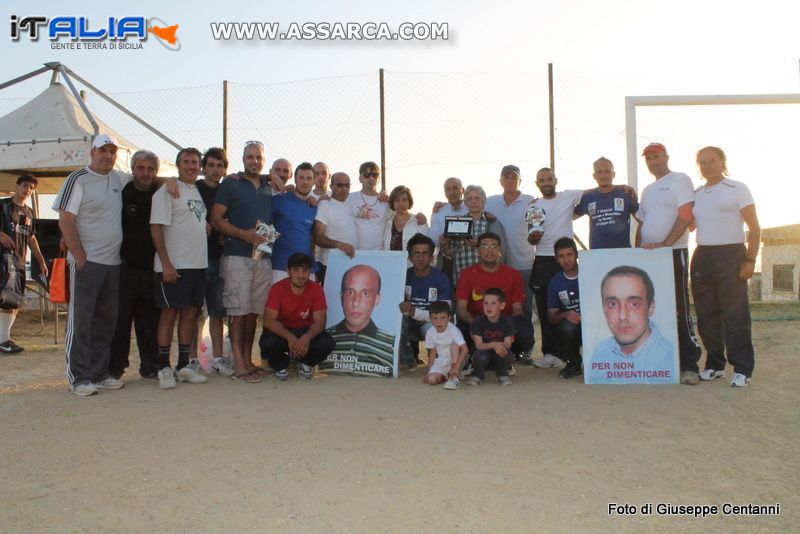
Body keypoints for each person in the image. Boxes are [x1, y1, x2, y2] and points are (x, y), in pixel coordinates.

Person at [54, 134, 130, 396]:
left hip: (113, 264)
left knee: (106, 321)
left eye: (112, 152)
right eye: (103, 151)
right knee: (81, 321)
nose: (107, 156)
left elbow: (149, 178)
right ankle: (79, 377)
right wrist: (79, 255)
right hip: (87, 263)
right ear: (92, 152)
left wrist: (173, 183)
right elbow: (65, 220)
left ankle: (98, 373)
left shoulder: (118, 178)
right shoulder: (78, 179)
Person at [691, 146, 760, 387]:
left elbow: (754, 227)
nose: (706, 165)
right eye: (702, 162)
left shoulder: (737, 188)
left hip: (731, 254)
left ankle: (742, 369)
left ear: (722, 162)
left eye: (711, 161)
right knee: (707, 315)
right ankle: (715, 365)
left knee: (735, 315)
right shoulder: (696, 194)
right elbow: (685, 222)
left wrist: (750, 260)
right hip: (702, 255)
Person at [637, 142, 703, 385]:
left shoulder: (680, 180)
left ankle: (690, 365)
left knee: (679, 308)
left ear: (666, 156)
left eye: (656, 156)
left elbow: (686, 215)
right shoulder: (647, 190)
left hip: (673, 252)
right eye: (649, 158)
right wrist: (637, 253)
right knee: (651, 309)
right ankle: (660, 363)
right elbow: (642, 225)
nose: (653, 161)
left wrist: (665, 244)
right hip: (649, 258)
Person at [210, 140, 274, 383]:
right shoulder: (231, 184)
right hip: (236, 256)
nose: (254, 161)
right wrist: (243, 234)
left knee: (252, 314)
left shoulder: (268, 187)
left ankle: (248, 361)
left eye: (258, 157)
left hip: (262, 257)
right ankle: (238, 364)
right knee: (238, 312)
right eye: (250, 157)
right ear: (243, 159)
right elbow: (216, 219)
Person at [150, 148, 209, 389]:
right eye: (186, 162)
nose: (191, 166)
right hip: (174, 265)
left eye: (195, 162)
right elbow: (156, 227)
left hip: (198, 264)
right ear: (177, 165)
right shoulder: (166, 190)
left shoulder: (198, 190)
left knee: (190, 314)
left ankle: (183, 365)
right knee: (168, 314)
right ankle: (163, 367)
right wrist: (166, 263)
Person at [108, 151, 161, 379]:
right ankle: (116, 368)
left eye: (150, 169)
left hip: (151, 270)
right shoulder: (123, 191)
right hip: (125, 268)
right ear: (133, 170)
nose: (146, 173)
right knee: (121, 322)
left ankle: (150, 367)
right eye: (141, 168)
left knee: (149, 322)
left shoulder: (161, 194)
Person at [526, 167, 583, 369]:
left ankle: (574, 352)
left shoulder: (568, 197)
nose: (546, 182)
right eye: (542, 179)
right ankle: (550, 353)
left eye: (549, 178)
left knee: (573, 305)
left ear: (555, 180)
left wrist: (623, 187)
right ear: (537, 184)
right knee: (545, 309)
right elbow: (530, 234)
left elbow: (596, 191)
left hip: (565, 259)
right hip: (542, 259)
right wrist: (533, 237)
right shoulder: (533, 206)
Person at [588, 266, 676, 384]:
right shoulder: (600, 353)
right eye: (613, 304)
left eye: (634, 304)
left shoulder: (671, 355)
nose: (623, 316)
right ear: (603, 308)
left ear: (651, 307)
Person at [455, 232, 533, 359]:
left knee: (523, 326)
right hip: (476, 322)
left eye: (494, 246)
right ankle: (470, 356)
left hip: (504, 322)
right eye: (485, 246)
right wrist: (475, 324)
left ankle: (519, 353)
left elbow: (517, 308)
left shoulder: (513, 274)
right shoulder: (467, 274)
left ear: (500, 251)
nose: (489, 250)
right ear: (478, 252)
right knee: (459, 331)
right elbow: (461, 308)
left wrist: (502, 326)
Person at [259, 253, 335, 381]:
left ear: (309, 272)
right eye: (296, 270)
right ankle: (281, 365)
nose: (300, 275)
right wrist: (290, 338)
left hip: (305, 330)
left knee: (327, 343)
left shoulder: (316, 289)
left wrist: (306, 338)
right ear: (288, 271)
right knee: (266, 343)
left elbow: (320, 321)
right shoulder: (277, 289)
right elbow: (269, 321)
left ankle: (305, 363)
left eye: (304, 270)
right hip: (283, 332)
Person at [194, 147, 233, 376]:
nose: (215, 170)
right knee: (192, 312)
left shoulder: (228, 190)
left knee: (218, 312)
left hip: (220, 258)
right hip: (195, 259)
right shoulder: (193, 188)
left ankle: (218, 358)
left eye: (219, 166)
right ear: (203, 167)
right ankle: (191, 360)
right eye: (211, 165)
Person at [0, 175, 47, 354]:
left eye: (32, 188)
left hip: (18, 262)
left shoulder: (28, 212)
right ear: (18, 186)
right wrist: (1, 235)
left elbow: (31, 237)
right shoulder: (3, 205)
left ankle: (4, 339)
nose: (28, 190)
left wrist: (41, 260)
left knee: (13, 300)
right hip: (2, 259)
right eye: (25, 185)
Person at [485, 164, 536, 329]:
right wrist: (442, 205)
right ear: (501, 181)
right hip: (499, 266)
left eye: (514, 177)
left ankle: (526, 348)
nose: (510, 180)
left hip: (525, 264)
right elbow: (470, 206)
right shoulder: (490, 202)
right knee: (498, 308)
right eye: (507, 177)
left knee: (524, 307)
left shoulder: (530, 201)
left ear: (520, 180)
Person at [323, 264, 396, 377]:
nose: (355, 302)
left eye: (365, 294)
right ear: (341, 296)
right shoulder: (323, 339)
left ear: (376, 299)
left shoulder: (391, 345)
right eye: (350, 292)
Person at [398, 233, 452, 369]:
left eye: (425, 254)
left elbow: (445, 313)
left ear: (432, 257)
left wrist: (415, 312)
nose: (420, 258)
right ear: (410, 257)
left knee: (436, 325)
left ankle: (435, 362)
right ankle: (406, 360)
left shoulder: (441, 279)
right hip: (409, 324)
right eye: (416, 254)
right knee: (398, 320)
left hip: (430, 324)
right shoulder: (402, 276)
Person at [442, 185, 508, 289]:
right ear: (466, 202)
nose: (473, 201)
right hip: (462, 277)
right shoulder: (457, 223)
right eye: (470, 199)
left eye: (477, 198)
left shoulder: (493, 222)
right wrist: (444, 244)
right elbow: (450, 254)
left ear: (483, 201)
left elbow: (502, 252)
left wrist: (480, 244)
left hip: (487, 279)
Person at [574, 157, 639, 249]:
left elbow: (642, 219)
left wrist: (638, 247)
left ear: (613, 174)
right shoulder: (587, 198)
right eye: (599, 172)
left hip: (622, 253)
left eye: (607, 171)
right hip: (598, 254)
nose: (603, 175)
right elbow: (568, 217)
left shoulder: (625, 194)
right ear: (594, 176)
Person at [271, 161, 317, 282]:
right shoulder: (279, 200)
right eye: (301, 177)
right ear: (295, 179)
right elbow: (264, 225)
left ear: (313, 181)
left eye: (309, 178)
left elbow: (314, 237)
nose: (305, 182)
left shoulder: (315, 206)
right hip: (281, 267)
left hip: (307, 269)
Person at [546, 237, 582, 379]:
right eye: (561, 256)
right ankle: (573, 363)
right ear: (556, 259)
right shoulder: (555, 282)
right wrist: (565, 315)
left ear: (576, 255)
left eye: (569, 255)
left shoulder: (590, 272)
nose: (566, 260)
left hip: (595, 323)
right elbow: (551, 316)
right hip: (573, 326)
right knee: (565, 327)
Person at [313, 172, 357, 285]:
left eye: (347, 185)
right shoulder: (325, 205)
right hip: (330, 265)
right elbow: (318, 237)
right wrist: (340, 245)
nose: (344, 188)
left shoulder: (351, 204)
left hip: (350, 264)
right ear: (331, 186)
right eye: (340, 185)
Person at [467, 288, 516, 386]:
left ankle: (502, 374)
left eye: (493, 303)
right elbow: (479, 345)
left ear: (502, 306)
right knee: (481, 355)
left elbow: (508, 344)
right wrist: (494, 344)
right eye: (486, 303)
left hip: (498, 356)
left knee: (509, 355)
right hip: (482, 355)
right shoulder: (478, 321)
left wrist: (501, 346)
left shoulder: (507, 321)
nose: (488, 306)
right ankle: (478, 375)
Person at [429, 177, 467, 283]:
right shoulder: (439, 212)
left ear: (462, 190)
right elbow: (433, 239)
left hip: (469, 259)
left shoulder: (471, 208)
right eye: (448, 189)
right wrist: (443, 240)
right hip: (447, 262)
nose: (452, 192)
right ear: (445, 192)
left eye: (455, 188)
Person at [422, 300, 467, 390]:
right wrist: (429, 370)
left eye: (442, 318)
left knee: (454, 345)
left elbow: (465, 349)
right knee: (432, 380)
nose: (439, 322)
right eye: (435, 318)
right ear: (430, 319)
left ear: (449, 318)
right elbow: (433, 352)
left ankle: (454, 376)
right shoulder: (430, 332)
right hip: (442, 361)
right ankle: (445, 376)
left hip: (458, 360)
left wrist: (456, 367)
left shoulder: (452, 330)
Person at [346, 161, 390, 250]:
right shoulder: (349, 198)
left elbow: (403, 214)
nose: (371, 178)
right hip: (355, 253)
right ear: (360, 178)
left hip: (379, 254)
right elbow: (332, 198)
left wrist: (420, 216)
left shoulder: (386, 202)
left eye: (375, 175)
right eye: (366, 175)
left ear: (379, 178)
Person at [383, 185, 430, 255]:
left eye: (404, 199)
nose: (401, 203)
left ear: (409, 202)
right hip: (390, 264)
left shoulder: (419, 222)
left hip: (411, 265)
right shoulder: (387, 224)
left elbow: (427, 248)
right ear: (393, 203)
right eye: (397, 200)